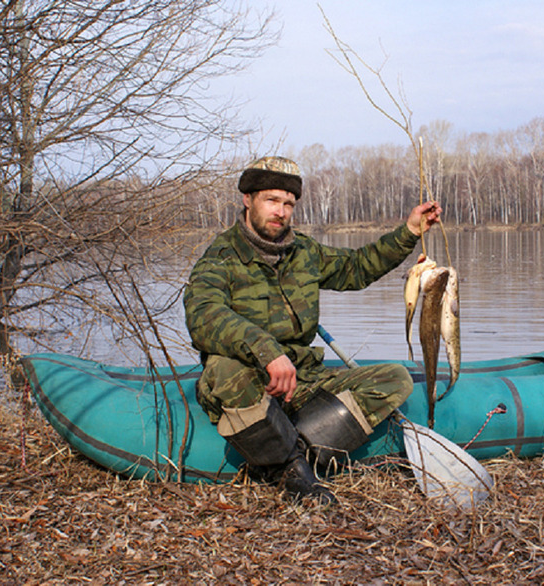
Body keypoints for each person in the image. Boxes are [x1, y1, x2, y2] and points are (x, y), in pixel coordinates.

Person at [183, 155, 441, 504]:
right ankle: (292, 471)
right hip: (253, 380)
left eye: (288, 203)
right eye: (271, 200)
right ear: (247, 200)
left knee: (396, 379)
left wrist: (410, 231)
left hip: (303, 379)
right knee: (223, 368)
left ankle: (291, 452)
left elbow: (357, 268)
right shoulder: (221, 257)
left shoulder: (304, 251)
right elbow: (203, 315)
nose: (281, 211)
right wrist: (267, 351)